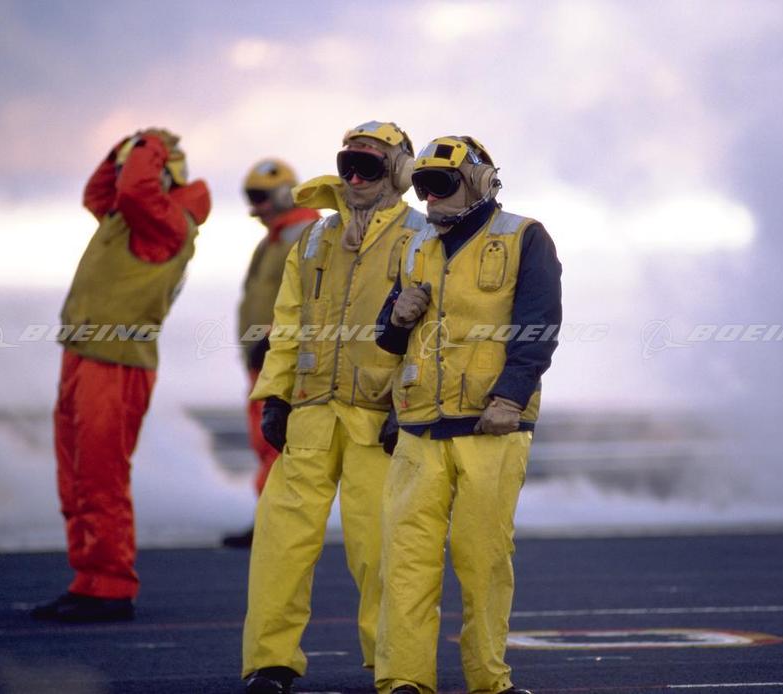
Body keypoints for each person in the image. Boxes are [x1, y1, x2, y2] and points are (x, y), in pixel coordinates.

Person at [242, 121, 426, 694]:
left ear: (399, 173)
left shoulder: (422, 238)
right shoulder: (316, 239)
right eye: (348, 164)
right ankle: (270, 662)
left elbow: (434, 331)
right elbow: (288, 323)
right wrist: (274, 395)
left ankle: (397, 669)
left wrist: (407, 406)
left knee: (381, 549)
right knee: (280, 543)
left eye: (368, 166)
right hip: (310, 413)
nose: (354, 177)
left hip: (378, 419)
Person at [373, 136, 562, 694]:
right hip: (419, 427)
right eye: (422, 186)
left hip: (491, 426)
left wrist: (510, 399)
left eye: (441, 184)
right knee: (406, 561)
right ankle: (403, 680)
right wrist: (397, 316)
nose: (429, 198)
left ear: (478, 182)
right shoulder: (415, 245)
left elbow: (539, 326)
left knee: (483, 562)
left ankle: (489, 682)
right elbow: (388, 338)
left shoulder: (525, 237)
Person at [32, 128, 211, 623]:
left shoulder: (166, 224)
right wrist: (122, 149)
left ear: (162, 176)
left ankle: (111, 586)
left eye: (128, 167)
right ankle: (88, 580)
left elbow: (133, 189)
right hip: (85, 356)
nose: (118, 175)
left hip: (115, 364)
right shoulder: (125, 219)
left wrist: (148, 144)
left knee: (101, 478)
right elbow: (99, 192)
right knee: (75, 479)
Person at [222, 159, 321, 548]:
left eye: (260, 196)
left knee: (276, 440)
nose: (255, 205)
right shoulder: (274, 239)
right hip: (264, 359)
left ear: (283, 195)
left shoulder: (304, 233)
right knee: (265, 441)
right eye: (251, 196)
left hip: (280, 360)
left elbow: (312, 297)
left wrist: (277, 343)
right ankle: (269, 518)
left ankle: (275, 522)